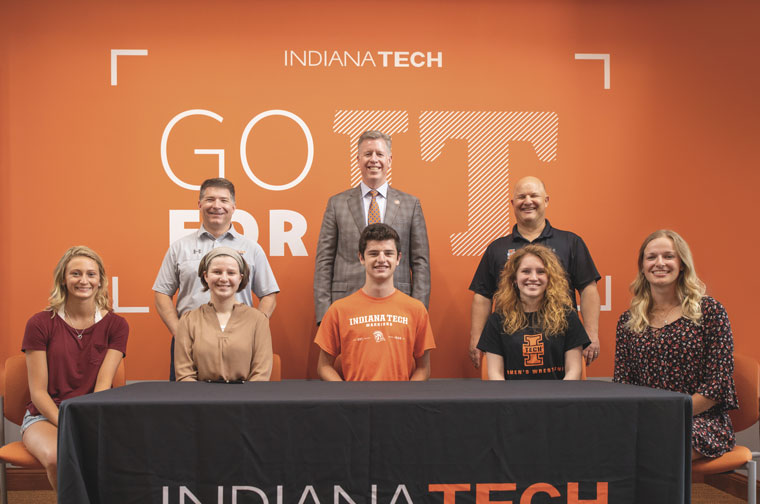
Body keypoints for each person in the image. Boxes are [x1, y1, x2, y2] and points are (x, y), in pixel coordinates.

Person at [613, 230, 737, 460]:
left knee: (660, 443)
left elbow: (717, 386)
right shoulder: (628, 321)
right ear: (642, 266)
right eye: (651, 257)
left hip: (699, 420)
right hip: (646, 419)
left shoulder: (710, 312)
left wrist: (669, 414)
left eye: (668, 256)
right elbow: (623, 383)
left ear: (682, 264)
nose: (659, 263)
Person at [21, 246, 128, 490]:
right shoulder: (39, 323)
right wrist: (67, 423)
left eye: (91, 274)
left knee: (123, 457)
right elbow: (38, 392)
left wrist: (88, 423)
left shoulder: (117, 325)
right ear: (63, 279)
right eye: (76, 273)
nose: (84, 280)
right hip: (46, 416)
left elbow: (103, 386)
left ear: (100, 280)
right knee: (56, 458)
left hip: (91, 414)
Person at [153, 177, 279, 380]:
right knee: (186, 405)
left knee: (242, 404)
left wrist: (255, 329)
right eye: (210, 199)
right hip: (190, 341)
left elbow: (269, 295)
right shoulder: (179, 248)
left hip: (240, 343)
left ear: (233, 207)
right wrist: (181, 332)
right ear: (200, 205)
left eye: (224, 200)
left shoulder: (252, 249)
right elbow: (161, 293)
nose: (217, 206)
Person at [469, 176, 601, 368]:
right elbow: (482, 296)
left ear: (546, 200)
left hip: (561, 345)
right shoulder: (496, 248)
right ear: (513, 203)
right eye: (521, 197)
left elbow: (588, 289)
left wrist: (591, 333)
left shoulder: (571, 242)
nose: (528, 201)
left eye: (534, 195)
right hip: (509, 346)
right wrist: (476, 338)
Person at [314, 130, 430, 324]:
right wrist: (324, 316)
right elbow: (324, 261)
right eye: (368, 154)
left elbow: (420, 263)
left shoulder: (411, 205)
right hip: (346, 304)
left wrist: (419, 315)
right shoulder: (337, 203)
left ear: (390, 160)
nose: (373, 160)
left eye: (379, 154)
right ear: (358, 159)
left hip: (399, 307)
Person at [315, 223, 435, 381]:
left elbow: (423, 368)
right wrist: (345, 395)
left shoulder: (416, 309)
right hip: (355, 404)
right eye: (373, 253)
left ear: (398, 258)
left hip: (400, 403)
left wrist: (407, 398)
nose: (381, 259)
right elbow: (323, 366)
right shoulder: (339, 310)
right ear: (361, 258)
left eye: (388, 253)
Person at [477, 244, 589, 380]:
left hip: (558, 398)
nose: (534, 278)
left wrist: (558, 400)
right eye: (526, 271)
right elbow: (495, 375)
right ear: (514, 279)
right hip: (512, 399)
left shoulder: (568, 316)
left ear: (549, 278)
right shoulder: (497, 320)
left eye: (541, 272)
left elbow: (574, 372)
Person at [174, 247, 272, 382]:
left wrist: (243, 402)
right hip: (200, 399)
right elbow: (184, 375)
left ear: (240, 278)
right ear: (206, 276)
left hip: (247, 400)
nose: (224, 278)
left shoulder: (258, 321)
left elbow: (261, 375)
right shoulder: (188, 320)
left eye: (231, 273)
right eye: (217, 272)